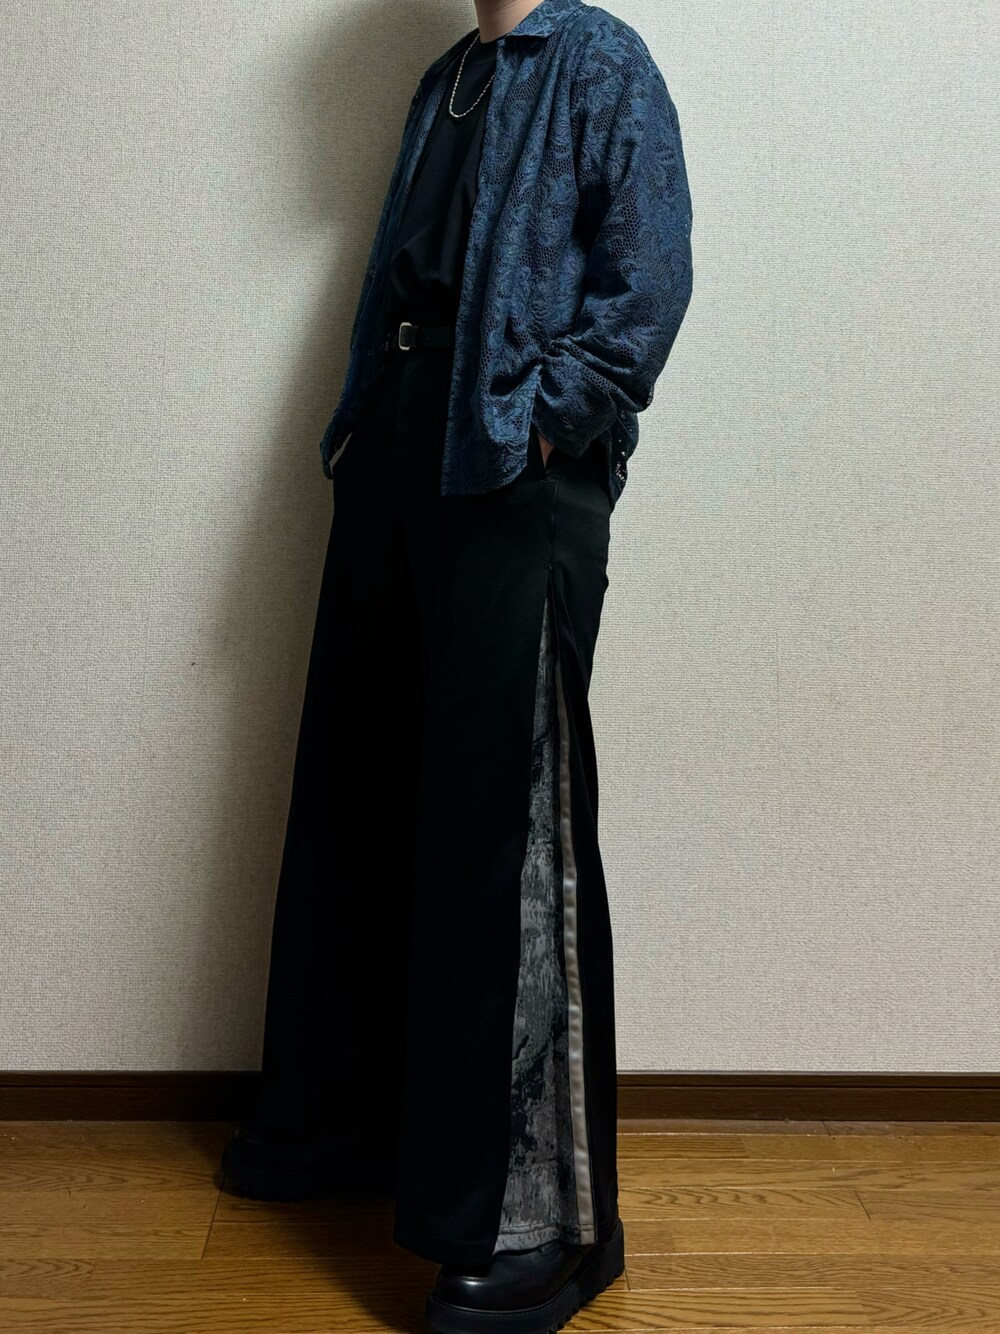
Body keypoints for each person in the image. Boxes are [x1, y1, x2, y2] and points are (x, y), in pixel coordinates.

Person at [221, 0, 693, 1329]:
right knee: (363, 798)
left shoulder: (599, 59)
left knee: (502, 828)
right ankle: (353, 1134)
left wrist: (548, 419)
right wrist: (364, 430)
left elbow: (647, 280)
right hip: (399, 460)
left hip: (509, 475)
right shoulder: (447, 79)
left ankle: (534, 1223)